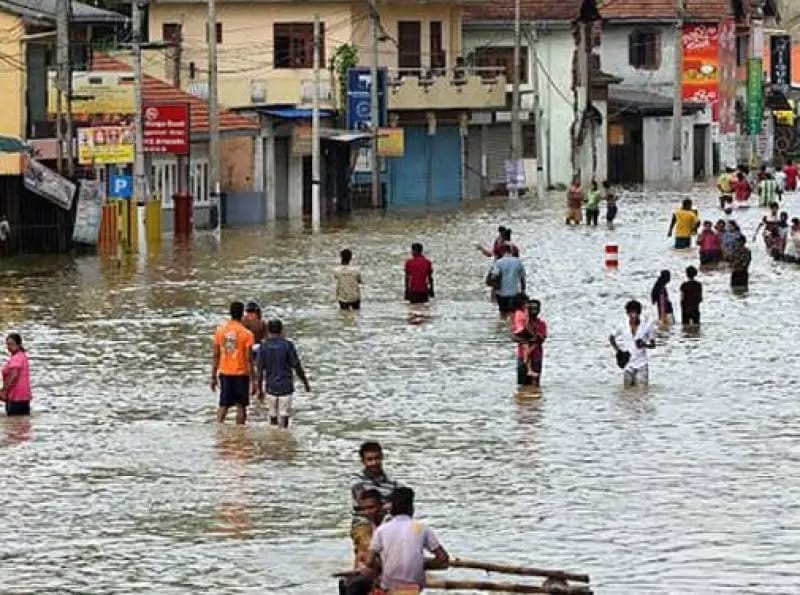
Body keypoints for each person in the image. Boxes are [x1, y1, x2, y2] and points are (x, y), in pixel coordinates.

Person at [364, 487, 450, 594]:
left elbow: (369, 561)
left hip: (389, 586)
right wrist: (421, 565)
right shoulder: (420, 527)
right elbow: (443, 558)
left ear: (392, 508)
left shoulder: (382, 530)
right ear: (411, 508)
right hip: (414, 587)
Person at [256, 319, 310, 428]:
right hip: (285, 386)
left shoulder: (263, 346)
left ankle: (274, 434)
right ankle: (283, 434)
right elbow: (296, 366)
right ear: (281, 330)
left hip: (270, 386)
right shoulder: (288, 345)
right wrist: (305, 382)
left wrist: (259, 389)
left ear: (268, 330)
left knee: (272, 414)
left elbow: (260, 370)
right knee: (284, 414)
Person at [212, 301, 255, 425]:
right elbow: (249, 359)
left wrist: (213, 376)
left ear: (230, 313)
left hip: (225, 372)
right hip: (241, 373)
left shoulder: (220, 331)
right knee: (241, 406)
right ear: (242, 314)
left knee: (223, 405)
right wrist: (254, 380)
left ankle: (218, 428)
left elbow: (216, 355)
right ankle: (240, 432)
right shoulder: (247, 334)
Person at [609, 300, 656, 387]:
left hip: (642, 364)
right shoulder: (623, 326)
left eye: (636, 313)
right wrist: (618, 351)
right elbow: (611, 337)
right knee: (627, 391)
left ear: (639, 313)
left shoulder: (647, 326)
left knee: (642, 391)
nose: (634, 316)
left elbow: (653, 345)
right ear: (627, 313)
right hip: (628, 364)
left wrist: (644, 345)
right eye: (631, 313)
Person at [511, 296, 547, 387]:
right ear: (527, 309)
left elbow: (541, 339)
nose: (534, 310)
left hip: (536, 357)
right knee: (521, 384)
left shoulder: (541, 324)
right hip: (522, 357)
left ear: (539, 310)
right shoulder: (522, 321)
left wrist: (533, 338)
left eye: (536, 308)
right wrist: (525, 340)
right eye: (531, 308)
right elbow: (514, 337)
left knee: (535, 383)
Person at [490, 243, 526, 319]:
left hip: (501, 293)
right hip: (514, 292)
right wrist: (523, 291)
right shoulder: (518, 262)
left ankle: (502, 325)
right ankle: (510, 325)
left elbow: (494, 277)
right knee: (513, 313)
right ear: (511, 251)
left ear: (502, 251)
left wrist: (493, 292)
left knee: (502, 313)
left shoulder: (499, 262)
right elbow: (522, 278)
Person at [1, 333, 32, 416]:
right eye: (8, 344)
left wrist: (4, 391)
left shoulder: (17, 357)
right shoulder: (22, 356)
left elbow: (14, 375)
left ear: (19, 345)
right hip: (23, 397)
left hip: (16, 397)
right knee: (20, 421)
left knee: (13, 422)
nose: (9, 347)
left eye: (12, 344)